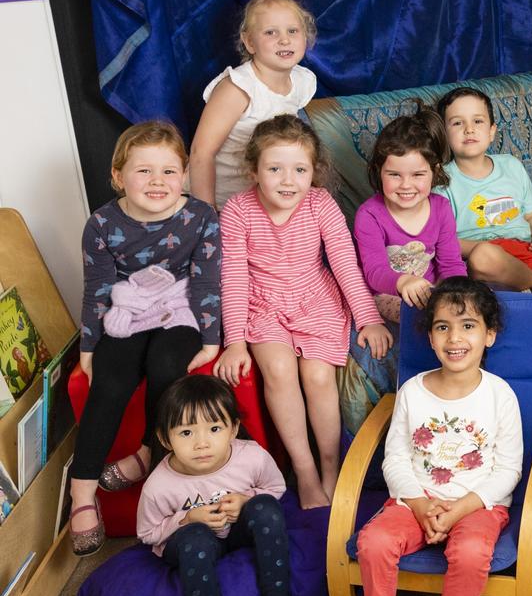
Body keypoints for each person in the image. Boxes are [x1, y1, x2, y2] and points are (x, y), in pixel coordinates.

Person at [214, 115, 392, 510]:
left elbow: (345, 262)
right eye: (274, 169)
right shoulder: (238, 210)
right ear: (253, 171)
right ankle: (305, 469)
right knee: (278, 370)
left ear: (314, 172)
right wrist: (236, 342)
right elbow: (234, 278)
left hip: (315, 298)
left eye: (299, 169)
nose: (287, 180)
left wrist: (369, 318)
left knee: (316, 374)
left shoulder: (319, 203)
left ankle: (331, 467)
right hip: (263, 304)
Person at [356, 278, 522, 596]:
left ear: (489, 334)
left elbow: (508, 469)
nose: (455, 337)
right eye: (443, 326)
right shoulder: (413, 390)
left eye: (468, 326)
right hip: (416, 501)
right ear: (429, 337)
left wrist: (461, 509)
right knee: (374, 542)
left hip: (477, 504)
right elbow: (394, 457)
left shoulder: (499, 394)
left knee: (470, 550)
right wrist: (417, 504)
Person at [70, 121, 222, 558]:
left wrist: (211, 340)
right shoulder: (101, 223)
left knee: (165, 367)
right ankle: (82, 493)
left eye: (169, 172)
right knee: (111, 381)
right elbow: (97, 286)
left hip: (179, 309)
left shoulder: (200, 217)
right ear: (118, 176)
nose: (158, 182)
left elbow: (208, 281)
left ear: (185, 176)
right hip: (129, 311)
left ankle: (146, 455)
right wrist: (88, 346)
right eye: (144, 172)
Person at [136, 375, 293, 596]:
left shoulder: (252, 455)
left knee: (265, 508)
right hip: (192, 542)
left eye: (214, 429)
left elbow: (276, 489)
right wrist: (186, 518)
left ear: (233, 429)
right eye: (186, 432)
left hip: (236, 531)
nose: (202, 443)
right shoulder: (159, 484)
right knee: (195, 541)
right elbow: (147, 534)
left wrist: (246, 502)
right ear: (165, 439)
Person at [190, 0, 318, 209]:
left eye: (293, 31)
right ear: (249, 42)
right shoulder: (238, 88)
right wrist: (207, 216)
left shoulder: (302, 81)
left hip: (263, 201)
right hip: (221, 200)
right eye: (271, 33)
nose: (284, 40)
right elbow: (201, 153)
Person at [353, 99, 467, 325]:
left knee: (470, 308)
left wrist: (460, 295)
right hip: (387, 294)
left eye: (417, 175)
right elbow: (374, 272)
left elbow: (451, 264)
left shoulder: (441, 209)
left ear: (434, 172)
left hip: (433, 292)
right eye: (395, 175)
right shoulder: (369, 215)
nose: (406, 185)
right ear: (379, 171)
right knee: (427, 320)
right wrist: (403, 282)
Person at [435, 87, 532, 291]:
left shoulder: (511, 165)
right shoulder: (442, 181)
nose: (469, 129)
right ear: (445, 135)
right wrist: (488, 248)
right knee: (483, 257)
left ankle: (528, 283)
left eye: (478, 121)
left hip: (527, 248)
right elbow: (445, 241)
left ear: (492, 131)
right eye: (457, 123)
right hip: (487, 257)